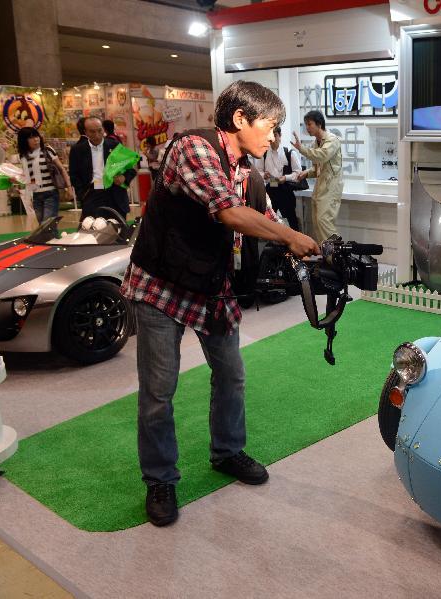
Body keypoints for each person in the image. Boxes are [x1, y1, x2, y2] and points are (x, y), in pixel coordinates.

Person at [122, 80, 319, 527]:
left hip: (209, 283)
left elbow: (265, 218)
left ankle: (227, 452)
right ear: (239, 119)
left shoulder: (247, 170)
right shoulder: (192, 149)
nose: (274, 138)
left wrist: (311, 248)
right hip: (161, 284)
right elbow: (228, 212)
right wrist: (291, 237)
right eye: (269, 127)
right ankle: (160, 479)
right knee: (158, 391)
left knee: (231, 375)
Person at [68, 116, 136, 219]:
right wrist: (83, 194)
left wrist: (124, 177)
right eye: (92, 132)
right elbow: (74, 175)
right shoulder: (77, 150)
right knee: (92, 231)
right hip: (92, 194)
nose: (97, 135)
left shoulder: (115, 145)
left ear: (103, 129)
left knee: (118, 231)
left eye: (100, 130)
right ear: (85, 132)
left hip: (115, 194)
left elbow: (131, 169)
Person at [291, 110, 343, 242]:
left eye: (309, 124)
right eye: (306, 125)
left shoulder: (332, 140)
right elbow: (317, 169)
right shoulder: (316, 143)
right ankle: (326, 255)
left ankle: (336, 255)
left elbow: (322, 155)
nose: (307, 128)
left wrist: (301, 149)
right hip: (320, 188)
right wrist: (306, 173)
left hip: (331, 188)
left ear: (319, 124)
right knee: (317, 223)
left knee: (323, 221)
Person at [16, 127, 72, 223]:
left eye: (36, 136)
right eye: (31, 137)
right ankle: (53, 238)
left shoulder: (47, 150)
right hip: (36, 195)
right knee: (43, 228)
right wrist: (17, 180)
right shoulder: (23, 156)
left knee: (47, 224)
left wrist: (69, 188)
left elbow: (62, 169)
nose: (36, 139)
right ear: (24, 141)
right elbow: (28, 177)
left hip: (51, 193)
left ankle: (53, 238)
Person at [260, 126, 302, 231]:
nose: (273, 139)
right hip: (270, 188)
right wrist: (263, 175)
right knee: (269, 219)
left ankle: (297, 241)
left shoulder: (289, 153)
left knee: (291, 218)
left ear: (280, 136)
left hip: (285, 189)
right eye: (270, 136)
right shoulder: (264, 154)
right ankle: (274, 243)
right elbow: (258, 171)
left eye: (275, 135)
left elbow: (298, 173)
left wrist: (286, 177)